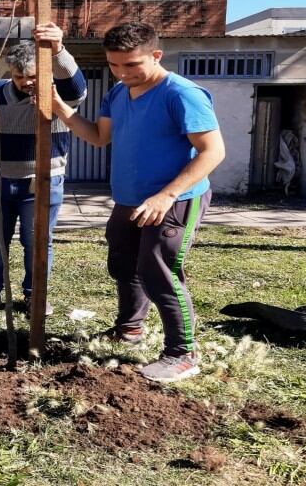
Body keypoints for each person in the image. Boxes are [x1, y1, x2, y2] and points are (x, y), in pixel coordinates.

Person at [51, 22, 225, 382]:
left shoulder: (181, 94)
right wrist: (59, 107)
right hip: (129, 200)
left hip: (174, 200)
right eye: (114, 65)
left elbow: (213, 152)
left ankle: (183, 353)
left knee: (158, 271)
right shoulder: (117, 93)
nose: (122, 73)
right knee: (124, 265)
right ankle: (130, 329)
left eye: (131, 65)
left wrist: (167, 194)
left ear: (156, 55)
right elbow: (99, 137)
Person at [0, 22, 87, 319]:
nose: (26, 82)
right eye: (19, 76)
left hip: (42, 183)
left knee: (37, 242)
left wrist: (59, 50)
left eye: (33, 76)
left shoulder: (58, 95)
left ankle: (34, 295)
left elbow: (78, 89)